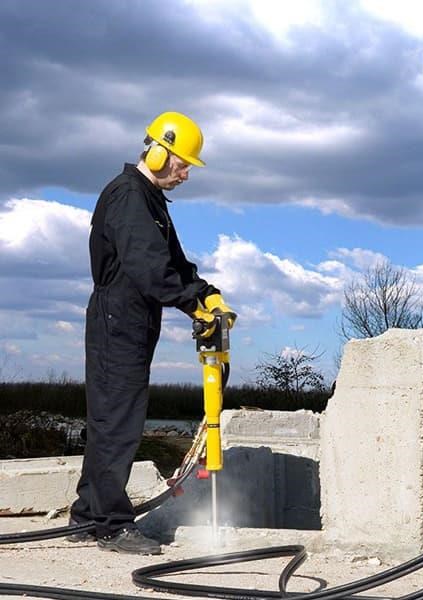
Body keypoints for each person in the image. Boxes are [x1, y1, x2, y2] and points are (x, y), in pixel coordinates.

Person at [68, 112, 236, 555]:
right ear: (160, 151)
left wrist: (207, 294)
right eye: (183, 164)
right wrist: (188, 303)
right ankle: (110, 524)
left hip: (132, 320)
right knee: (116, 422)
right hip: (116, 319)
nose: (185, 173)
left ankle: (88, 516)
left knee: (113, 416)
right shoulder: (127, 196)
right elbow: (148, 267)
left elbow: (174, 263)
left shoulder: (151, 201)